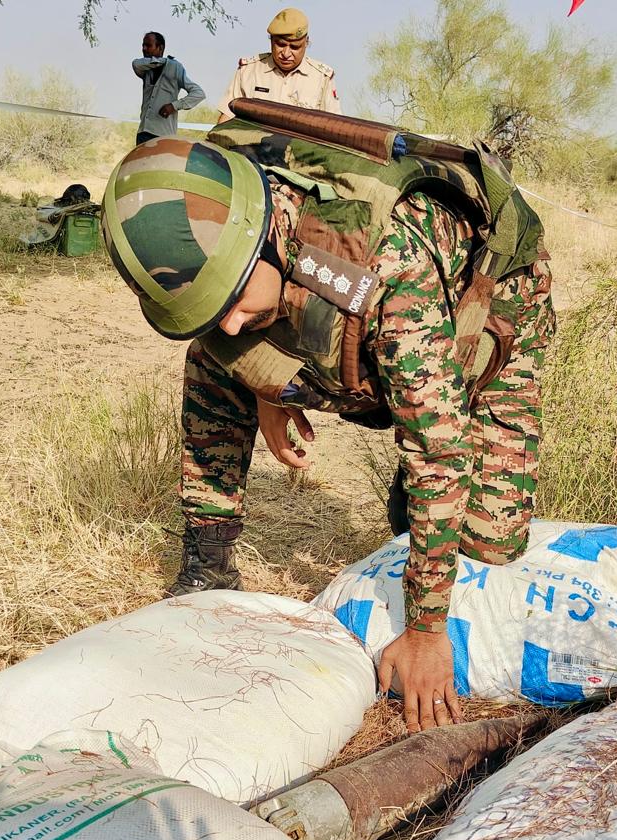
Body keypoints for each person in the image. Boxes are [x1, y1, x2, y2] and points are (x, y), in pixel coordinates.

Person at [101, 133, 554, 734]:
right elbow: (228, 326)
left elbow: (442, 453)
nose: (232, 324)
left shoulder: (390, 269)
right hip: (351, 311)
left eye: (234, 301)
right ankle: (208, 560)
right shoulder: (230, 247)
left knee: (488, 541)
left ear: (265, 240)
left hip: (496, 307)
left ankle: (419, 503)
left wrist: (424, 631)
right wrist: (268, 388)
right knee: (210, 363)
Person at [217, 7, 340, 121]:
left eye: (294, 47)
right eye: (280, 45)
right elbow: (227, 117)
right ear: (270, 40)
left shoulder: (322, 78)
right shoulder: (248, 71)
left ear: (306, 42)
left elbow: (332, 126)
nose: (286, 53)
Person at [133, 31, 205, 144]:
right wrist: (163, 61)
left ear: (160, 48)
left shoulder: (174, 67)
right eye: (143, 45)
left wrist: (174, 106)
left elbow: (199, 93)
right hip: (143, 133)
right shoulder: (145, 69)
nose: (144, 49)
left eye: (148, 45)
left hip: (163, 135)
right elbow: (136, 64)